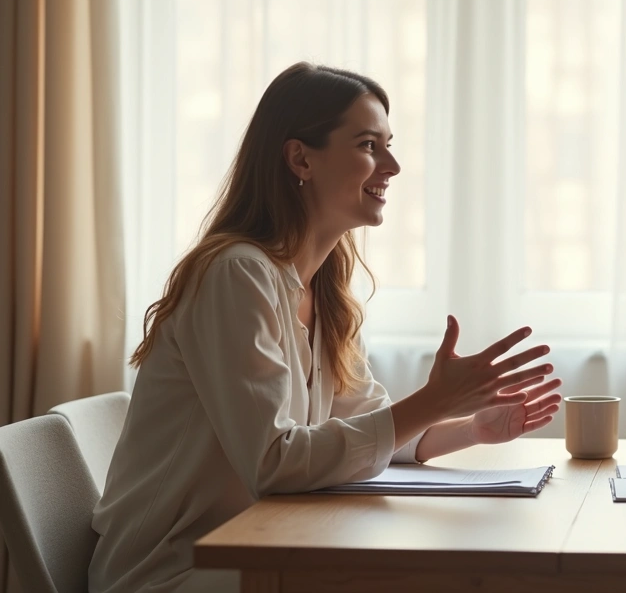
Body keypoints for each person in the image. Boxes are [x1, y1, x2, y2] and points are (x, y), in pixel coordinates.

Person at [90, 63, 562, 593]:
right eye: (368, 145)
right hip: (172, 570)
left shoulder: (325, 292)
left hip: (261, 549)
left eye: (388, 144)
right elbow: (275, 463)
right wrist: (432, 401)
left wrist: (468, 427)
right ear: (300, 158)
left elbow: (366, 424)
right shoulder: (235, 275)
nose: (393, 165)